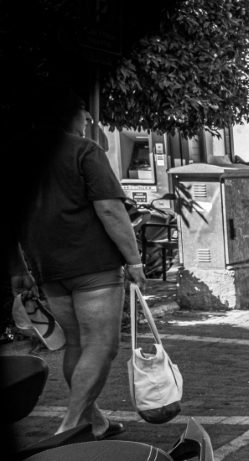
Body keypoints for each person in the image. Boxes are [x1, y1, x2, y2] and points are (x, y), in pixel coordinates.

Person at [11, 89, 147, 438]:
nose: (88, 118)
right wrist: (134, 261)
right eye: (82, 111)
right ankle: (70, 426)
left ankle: (95, 422)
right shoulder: (83, 149)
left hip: (48, 268)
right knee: (101, 345)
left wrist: (18, 270)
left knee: (76, 344)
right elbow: (110, 209)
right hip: (93, 264)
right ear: (67, 114)